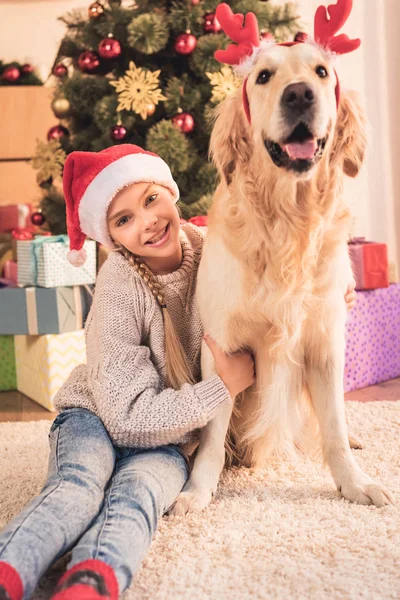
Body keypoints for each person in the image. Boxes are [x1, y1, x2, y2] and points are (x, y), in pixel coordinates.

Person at [0, 144, 356, 600]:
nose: (146, 220)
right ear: (110, 237)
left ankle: (90, 582)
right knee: (80, 485)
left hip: (172, 438)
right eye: (123, 219)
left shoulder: (214, 248)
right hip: (99, 418)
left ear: (172, 193)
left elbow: (283, 273)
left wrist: (334, 286)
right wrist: (221, 386)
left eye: (150, 199)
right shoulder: (118, 287)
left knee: (139, 497)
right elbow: (127, 418)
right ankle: (11, 568)